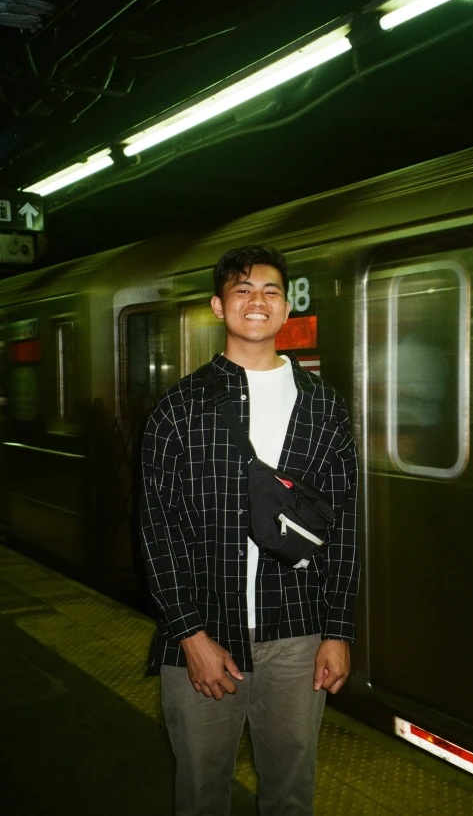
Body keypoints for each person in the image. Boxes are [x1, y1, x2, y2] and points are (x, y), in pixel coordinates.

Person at [140, 245, 359, 816]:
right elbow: (155, 527)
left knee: (291, 790)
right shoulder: (180, 407)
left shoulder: (325, 407)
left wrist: (338, 631)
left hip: (298, 633)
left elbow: (345, 525)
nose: (257, 301)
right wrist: (189, 636)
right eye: (242, 290)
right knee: (201, 792)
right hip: (204, 631)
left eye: (270, 291)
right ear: (218, 306)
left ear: (287, 309)